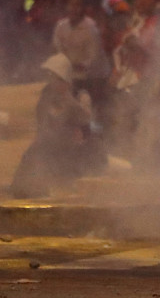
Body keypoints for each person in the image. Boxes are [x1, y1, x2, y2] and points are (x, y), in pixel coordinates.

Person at [10, 53, 107, 197]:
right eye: (51, 77)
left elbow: (94, 128)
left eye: (56, 78)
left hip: (64, 150)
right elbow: (42, 124)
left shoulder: (72, 104)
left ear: (65, 81)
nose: (52, 81)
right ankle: (25, 190)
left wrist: (84, 133)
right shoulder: (45, 98)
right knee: (32, 158)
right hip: (45, 146)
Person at [51, 0, 112, 108]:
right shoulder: (61, 26)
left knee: (90, 109)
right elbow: (57, 50)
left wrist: (79, 66)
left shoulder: (91, 29)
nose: (74, 9)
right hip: (71, 75)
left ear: (84, 8)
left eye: (78, 5)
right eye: (71, 5)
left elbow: (93, 58)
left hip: (94, 78)